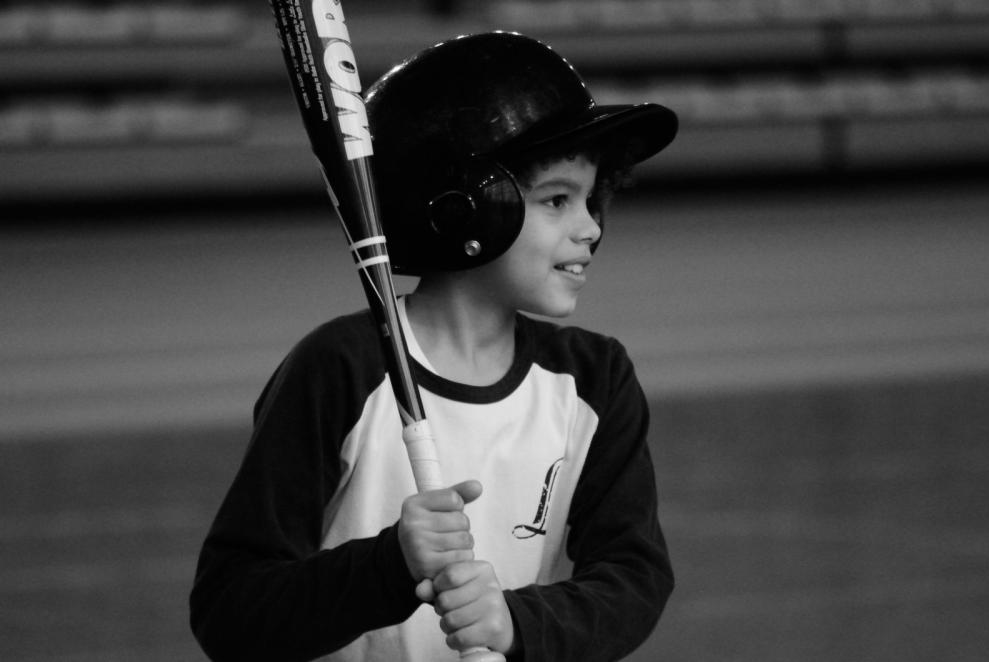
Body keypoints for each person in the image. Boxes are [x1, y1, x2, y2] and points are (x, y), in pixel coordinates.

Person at [190, 31, 678, 662]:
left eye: (591, 200)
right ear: (465, 207)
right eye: (557, 200)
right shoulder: (343, 367)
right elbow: (231, 612)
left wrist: (517, 622)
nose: (589, 228)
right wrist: (390, 565)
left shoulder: (594, 378)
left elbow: (634, 579)